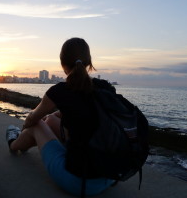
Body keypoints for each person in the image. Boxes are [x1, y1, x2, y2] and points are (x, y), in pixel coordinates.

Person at [6, 37, 114, 196]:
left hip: (79, 183)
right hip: (110, 175)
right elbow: (79, 112)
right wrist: (49, 117)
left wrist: (27, 126)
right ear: (88, 62)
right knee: (50, 119)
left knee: (37, 124)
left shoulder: (60, 91)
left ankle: (13, 143)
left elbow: (31, 119)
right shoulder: (105, 87)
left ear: (63, 64)